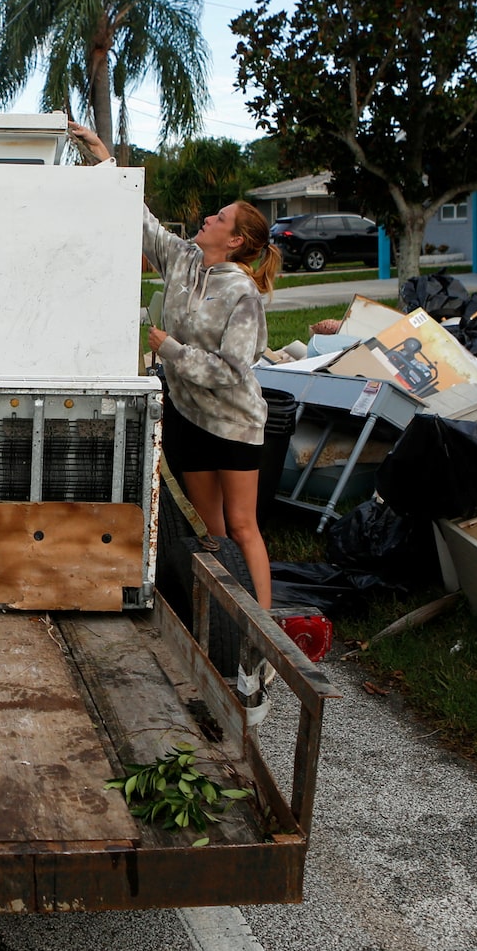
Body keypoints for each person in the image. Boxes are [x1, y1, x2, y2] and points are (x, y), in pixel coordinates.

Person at [69, 121, 281, 605]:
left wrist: (169, 350)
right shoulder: (183, 260)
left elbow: (232, 372)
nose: (209, 217)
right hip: (190, 419)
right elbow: (138, 219)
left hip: (233, 425)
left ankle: (264, 630)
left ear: (236, 240)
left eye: (221, 218)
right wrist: (100, 153)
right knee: (212, 530)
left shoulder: (242, 294)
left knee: (243, 525)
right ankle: (227, 617)